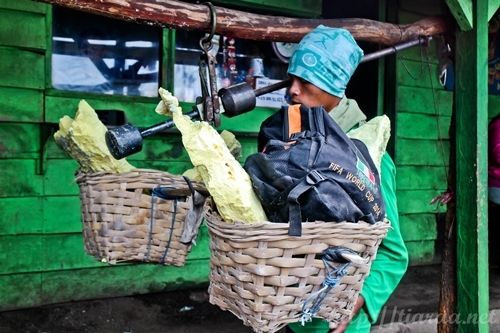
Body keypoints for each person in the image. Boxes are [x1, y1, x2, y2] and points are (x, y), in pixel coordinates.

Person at [283, 26, 409, 333]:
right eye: (292, 78)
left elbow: (393, 253)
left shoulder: (369, 160)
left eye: (305, 80)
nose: (292, 90)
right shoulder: (293, 144)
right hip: (290, 317)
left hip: (338, 324)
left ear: (332, 84)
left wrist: (359, 300)